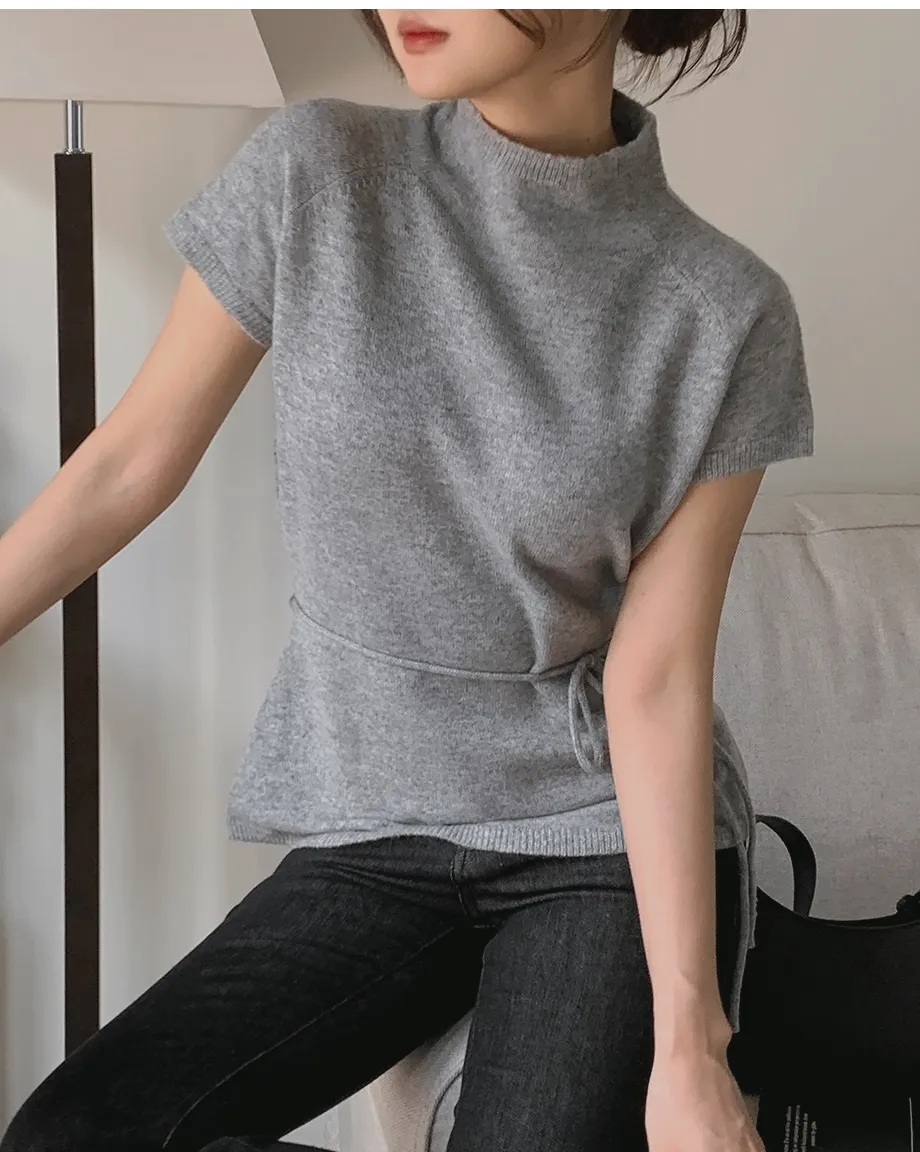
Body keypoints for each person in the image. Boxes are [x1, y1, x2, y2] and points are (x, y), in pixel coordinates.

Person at [0, 9, 814, 1152]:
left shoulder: (721, 311)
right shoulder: (320, 174)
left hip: (590, 847)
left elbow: (656, 676)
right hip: (375, 831)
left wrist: (692, 1046)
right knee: (73, 1133)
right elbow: (127, 466)